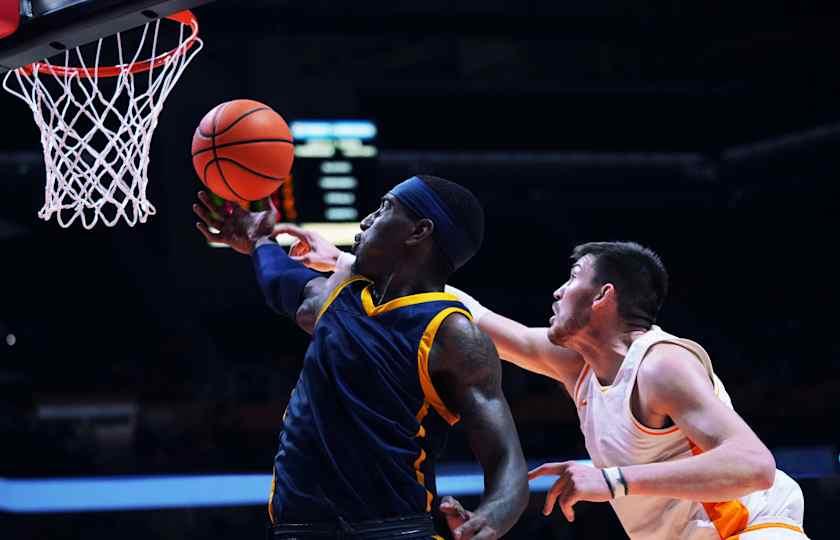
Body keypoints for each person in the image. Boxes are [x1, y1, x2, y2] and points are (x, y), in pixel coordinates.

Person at [289, 237, 807, 539]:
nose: (558, 290)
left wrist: (611, 482)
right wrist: (348, 261)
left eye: (574, 277)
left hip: (752, 529)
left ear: (605, 295)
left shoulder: (661, 364)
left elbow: (755, 466)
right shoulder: (576, 365)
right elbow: (480, 317)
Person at [193, 175, 528, 540]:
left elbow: (505, 458)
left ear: (419, 231)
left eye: (385, 208)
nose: (366, 220)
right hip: (298, 532)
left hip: (391, 531)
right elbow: (283, 284)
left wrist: (492, 517)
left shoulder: (452, 332)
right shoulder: (342, 295)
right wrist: (258, 240)